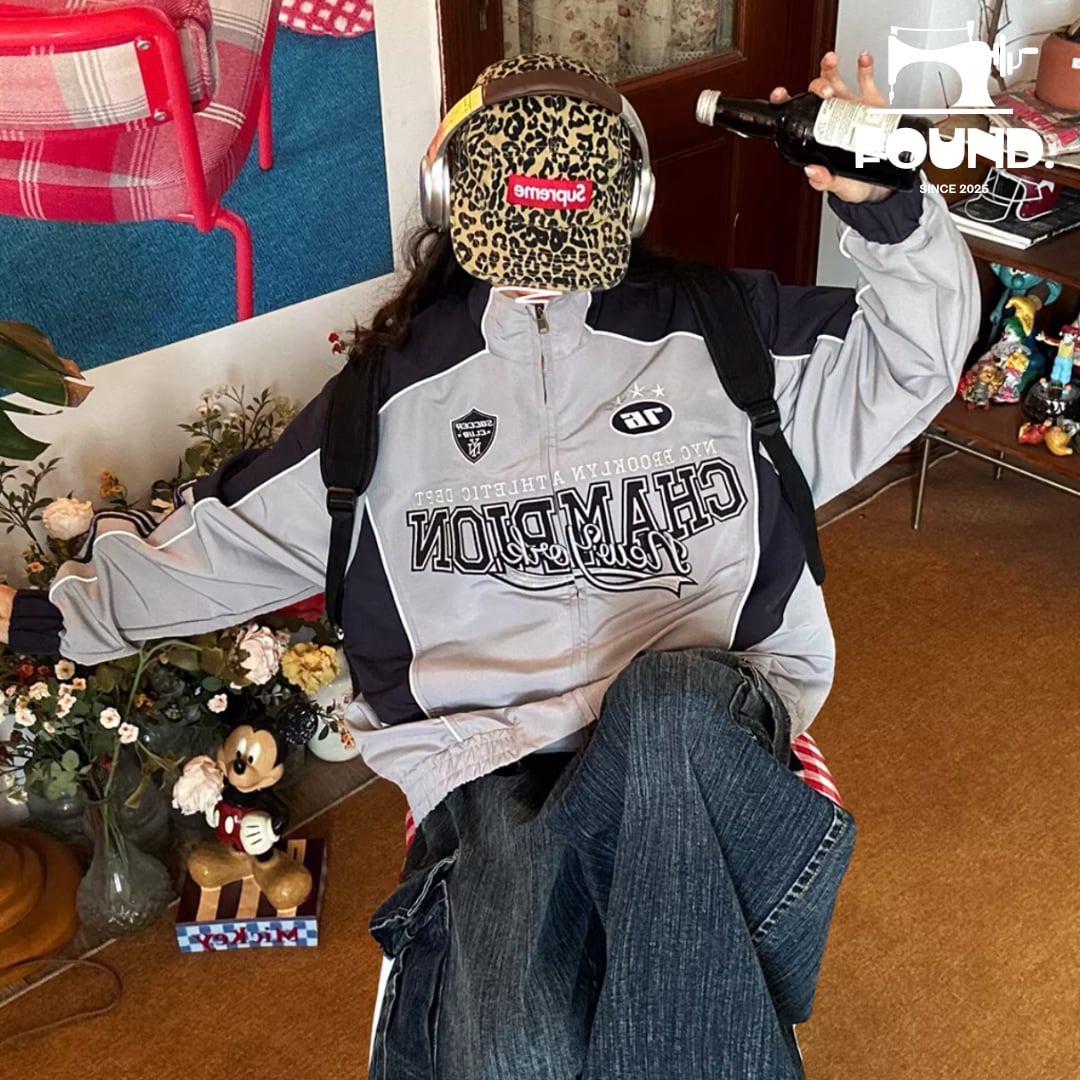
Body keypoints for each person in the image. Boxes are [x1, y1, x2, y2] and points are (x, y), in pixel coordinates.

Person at [0, 49, 978, 1079]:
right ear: (454, 197)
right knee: (521, 1045)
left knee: (669, 709)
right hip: (490, 762)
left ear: (624, 197)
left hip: (708, 733)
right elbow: (227, 543)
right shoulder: (382, 404)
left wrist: (886, 205)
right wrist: (43, 619)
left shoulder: (731, 338)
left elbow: (917, 357)